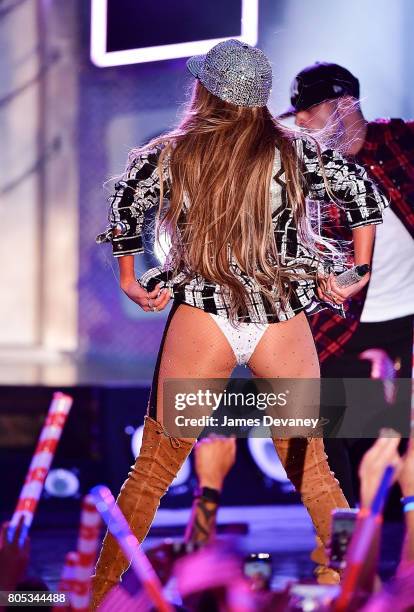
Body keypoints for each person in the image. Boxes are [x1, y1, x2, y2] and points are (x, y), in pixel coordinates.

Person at [91, 40, 388, 607]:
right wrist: (356, 270)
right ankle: (351, 588)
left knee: (153, 468)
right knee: (315, 471)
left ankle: (94, 591)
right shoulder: (296, 152)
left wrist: (133, 279)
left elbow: (127, 206)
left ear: (206, 90)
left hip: (205, 314)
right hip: (280, 315)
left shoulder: (171, 154)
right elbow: (362, 197)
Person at [279, 62, 414, 507]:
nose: (300, 120)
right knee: (312, 425)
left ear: (345, 104)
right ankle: (339, 544)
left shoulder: (399, 141)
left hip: (409, 319)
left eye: (310, 109)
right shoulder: (310, 172)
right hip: (349, 323)